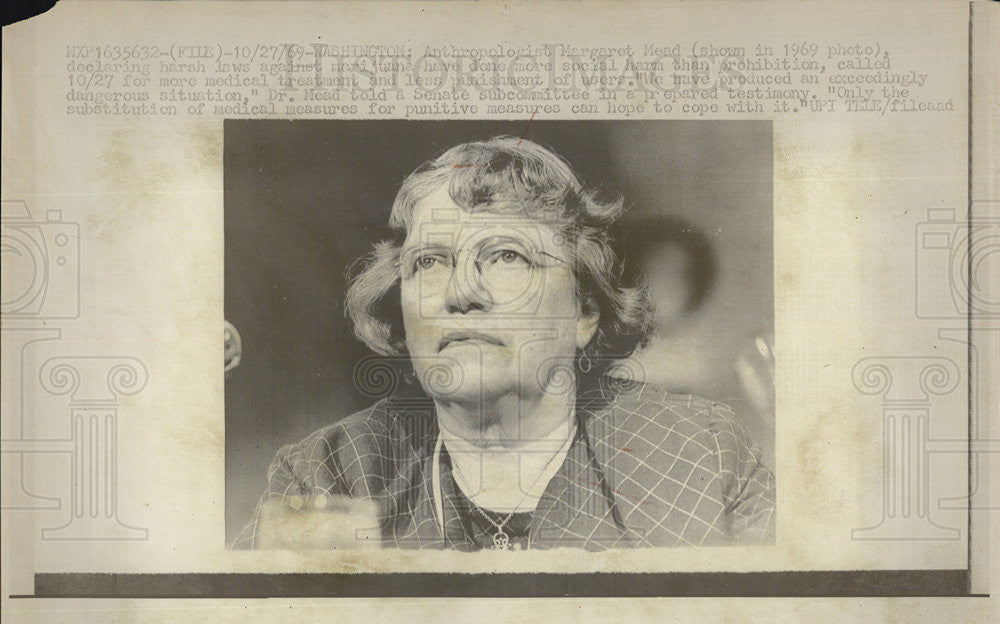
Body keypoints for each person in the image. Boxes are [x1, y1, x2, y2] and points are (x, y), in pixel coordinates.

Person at [244, 136, 775, 551]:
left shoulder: (702, 456)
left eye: (506, 257)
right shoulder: (331, 472)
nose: (461, 292)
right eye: (428, 261)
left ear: (584, 311)